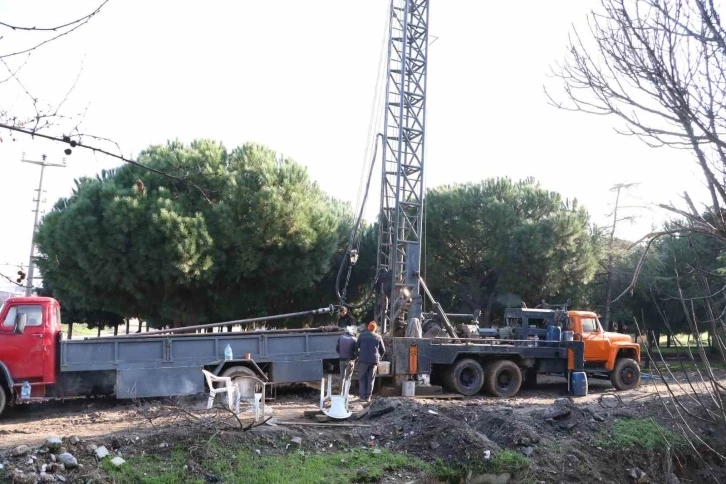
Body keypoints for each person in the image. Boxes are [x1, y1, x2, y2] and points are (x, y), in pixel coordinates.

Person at [355, 321, 386, 403]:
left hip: (363, 360)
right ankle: (368, 397)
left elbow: (356, 347)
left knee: (362, 378)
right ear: (375, 329)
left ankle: (362, 397)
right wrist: (379, 357)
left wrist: (358, 355)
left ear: (368, 327)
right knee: (370, 379)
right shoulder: (378, 336)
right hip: (374, 361)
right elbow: (383, 350)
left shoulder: (362, 335)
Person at [335, 326, 357, 393]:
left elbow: (337, 349)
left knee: (342, 377)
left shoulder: (341, 337)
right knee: (348, 378)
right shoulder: (354, 339)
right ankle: (346, 394)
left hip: (341, 360)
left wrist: (341, 354)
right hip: (350, 360)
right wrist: (354, 358)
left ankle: (340, 393)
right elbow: (357, 352)